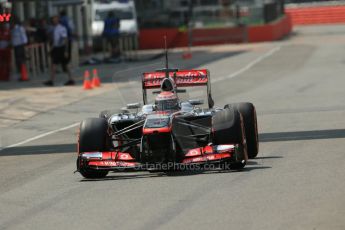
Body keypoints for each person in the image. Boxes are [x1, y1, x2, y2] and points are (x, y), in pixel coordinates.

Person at [43, 16, 75, 86]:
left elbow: (65, 39)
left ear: (58, 20)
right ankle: (52, 80)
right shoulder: (54, 28)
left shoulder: (61, 28)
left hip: (61, 48)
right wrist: (51, 49)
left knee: (65, 64)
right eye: (53, 20)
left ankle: (71, 79)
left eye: (55, 20)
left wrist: (66, 50)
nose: (54, 21)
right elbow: (55, 41)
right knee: (55, 64)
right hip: (57, 48)